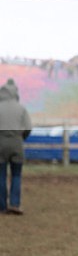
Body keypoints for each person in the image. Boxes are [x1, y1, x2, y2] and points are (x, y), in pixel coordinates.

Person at [0, 78, 33, 215]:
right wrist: (21, 138)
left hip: (0, 142)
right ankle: (14, 204)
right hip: (16, 143)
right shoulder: (21, 108)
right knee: (16, 175)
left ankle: (1, 205)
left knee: (1, 175)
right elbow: (28, 127)